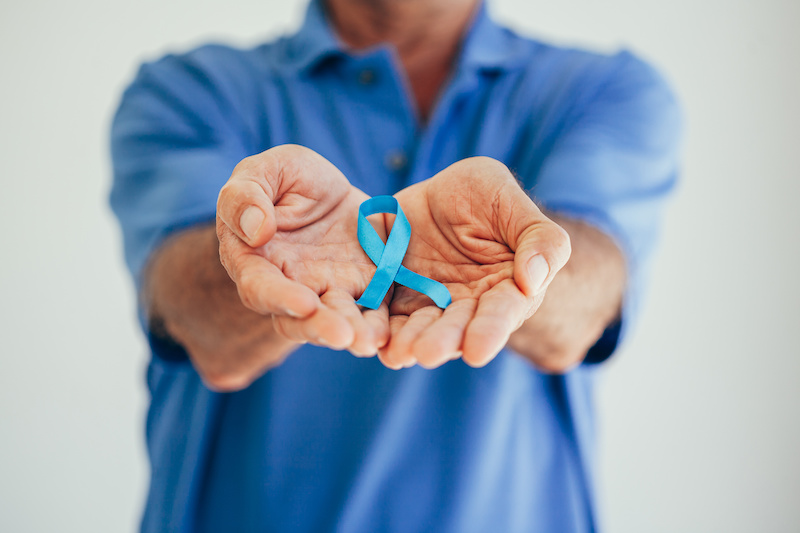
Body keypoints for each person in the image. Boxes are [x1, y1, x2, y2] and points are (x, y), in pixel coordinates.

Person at [110, 0, 682, 530]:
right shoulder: (189, 91)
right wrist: (258, 249)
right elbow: (188, 312)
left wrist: (519, 258)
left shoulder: (601, 91)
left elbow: (590, 298)